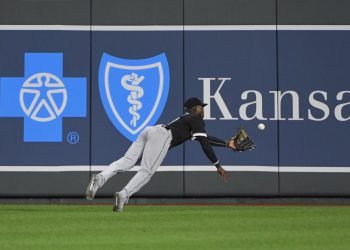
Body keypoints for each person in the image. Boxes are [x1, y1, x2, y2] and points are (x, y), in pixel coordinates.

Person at [86, 97, 236, 212]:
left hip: (151, 130)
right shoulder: (196, 119)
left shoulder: (187, 120)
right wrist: (217, 165)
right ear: (194, 109)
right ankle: (123, 195)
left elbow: (205, 138)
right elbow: (204, 144)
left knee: (127, 160)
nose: (203, 110)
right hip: (163, 136)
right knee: (146, 172)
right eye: (201, 107)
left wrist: (226, 143)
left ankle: (100, 178)